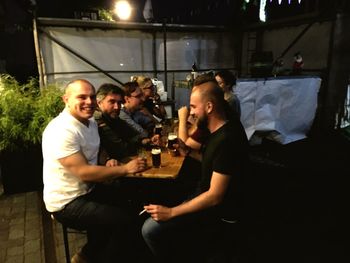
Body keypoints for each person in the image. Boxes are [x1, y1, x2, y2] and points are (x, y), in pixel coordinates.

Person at [141, 80, 249, 262]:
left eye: (193, 107)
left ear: (209, 107)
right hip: (204, 192)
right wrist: (188, 151)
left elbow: (215, 196)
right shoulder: (220, 130)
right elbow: (213, 163)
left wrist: (172, 212)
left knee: (150, 229)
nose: (190, 112)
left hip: (219, 213)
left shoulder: (227, 139)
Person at [42, 79, 148, 263]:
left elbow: (95, 152)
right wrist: (124, 168)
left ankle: (87, 255)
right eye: (81, 97)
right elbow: (84, 172)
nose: (89, 102)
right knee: (123, 222)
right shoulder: (61, 130)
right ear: (65, 99)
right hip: (67, 202)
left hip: (89, 189)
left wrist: (107, 161)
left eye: (91, 97)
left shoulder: (90, 122)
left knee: (136, 200)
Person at [95, 83, 160, 162]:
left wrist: (145, 140)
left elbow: (132, 134)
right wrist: (139, 143)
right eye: (112, 102)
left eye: (119, 103)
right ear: (99, 103)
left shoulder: (114, 117)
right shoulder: (97, 118)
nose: (117, 107)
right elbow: (119, 148)